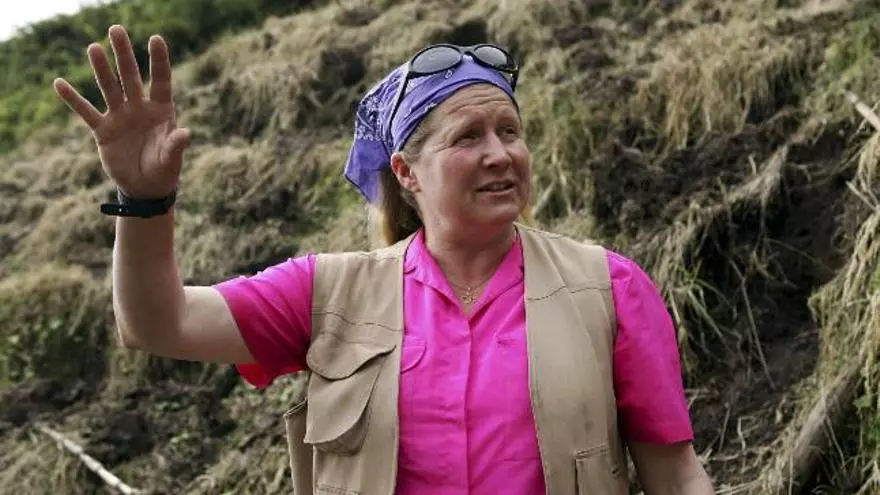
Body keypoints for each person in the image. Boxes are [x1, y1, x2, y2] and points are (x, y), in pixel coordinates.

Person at [53, 24, 715, 495]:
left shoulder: (608, 288)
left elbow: (676, 476)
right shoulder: (325, 293)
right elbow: (158, 322)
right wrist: (144, 199)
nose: (500, 154)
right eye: (469, 136)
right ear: (407, 172)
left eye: (510, 131)